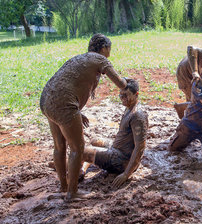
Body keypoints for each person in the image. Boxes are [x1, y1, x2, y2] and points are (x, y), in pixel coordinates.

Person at [40, 34, 127, 201]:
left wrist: (78, 112)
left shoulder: (81, 58)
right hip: (63, 104)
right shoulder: (101, 60)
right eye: (109, 49)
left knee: (59, 147)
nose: (109, 52)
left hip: (47, 100)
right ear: (104, 48)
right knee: (77, 148)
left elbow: (70, 83)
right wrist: (127, 82)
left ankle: (64, 186)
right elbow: (120, 84)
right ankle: (72, 193)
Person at [81, 79, 148, 188]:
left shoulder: (137, 115)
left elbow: (140, 147)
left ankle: (73, 170)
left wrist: (126, 174)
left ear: (136, 94)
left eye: (126, 95)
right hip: (117, 149)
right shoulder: (129, 108)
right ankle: (82, 169)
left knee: (80, 152)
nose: (122, 99)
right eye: (120, 95)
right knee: (95, 140)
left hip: (121, 161)